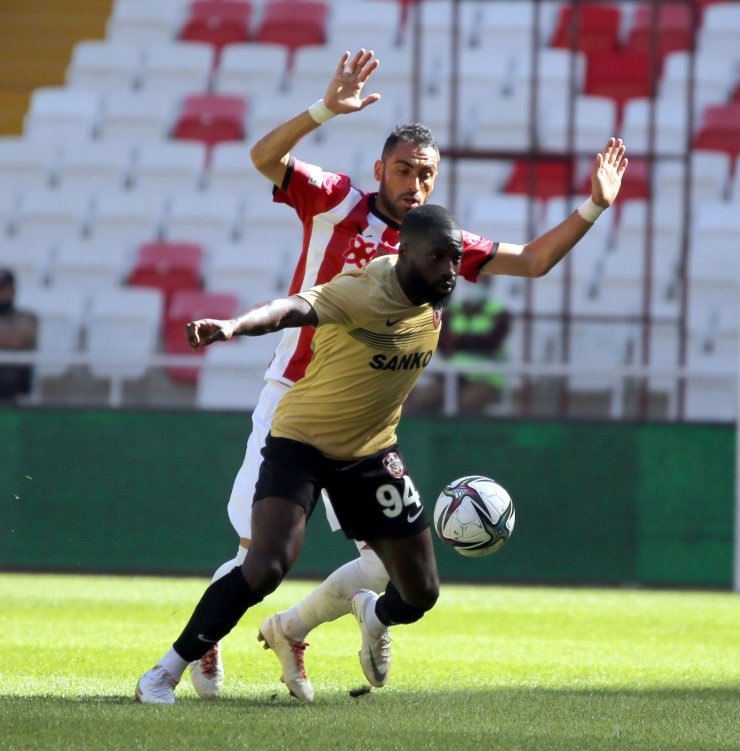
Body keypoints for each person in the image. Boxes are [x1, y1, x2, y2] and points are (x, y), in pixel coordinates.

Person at [185, 47, 628, 702]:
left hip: (363, 422)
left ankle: (291, 629)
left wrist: (593, 206)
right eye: (402, 170)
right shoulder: (337, 201)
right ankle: (206, 635)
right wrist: (322, 110)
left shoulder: (438, 245)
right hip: (296, 398)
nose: (413, 184)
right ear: (379, 170)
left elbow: (533, 260)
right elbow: (263, 159)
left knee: (380, 561)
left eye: (424, 174)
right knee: (260, 550)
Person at [136, 204, 466, 703]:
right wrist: (234, 325)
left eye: (455, 258)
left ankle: (372, 615)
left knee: (420, 593)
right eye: (437, 257)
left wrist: (593, 207)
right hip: (303, 441)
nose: (448, 269)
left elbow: (531, 259)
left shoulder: (436, 293)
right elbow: (293, 307)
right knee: (266, 564)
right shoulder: (362, 290)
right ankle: (162, 674)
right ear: (404, 253)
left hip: (372, 451)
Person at [407, 276, 511, 414]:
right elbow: (441, 343)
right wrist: (473, 342)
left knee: (468, 402)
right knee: (421, 398)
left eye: (482, 281)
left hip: (485, 378)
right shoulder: (451, 312)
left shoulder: (500, 313)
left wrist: (458, 341)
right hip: (451, 375)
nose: (476, 285)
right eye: (473, 281)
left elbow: (491, 342)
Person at [0, 268, 37, 404]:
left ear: (13, 290)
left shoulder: (27, 317)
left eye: (4, 288)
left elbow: (19, 338)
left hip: (14, 386)